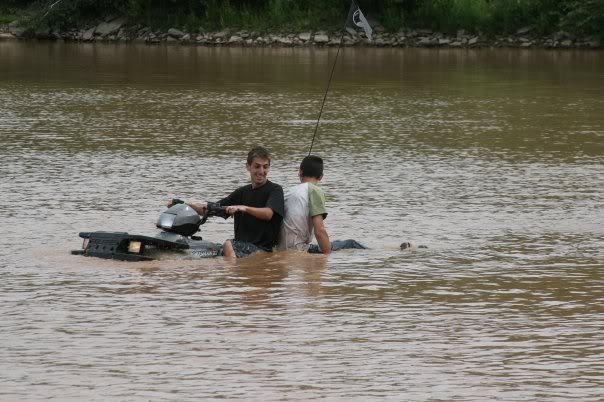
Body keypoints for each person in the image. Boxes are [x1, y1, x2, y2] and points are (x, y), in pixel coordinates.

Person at [171, 146, 284, 259]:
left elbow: (268, 214)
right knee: (204, 248)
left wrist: (243, 208)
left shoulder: (275, 190)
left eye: (265, 167)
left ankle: (233, 270)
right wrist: (182, 205)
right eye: (257, 166)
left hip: (263, 250)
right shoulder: (241, 192)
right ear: (248, 167)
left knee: (228, 244)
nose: (261, 171)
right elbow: (210, 209)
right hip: (240, 247)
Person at [278, 155, 366, 254]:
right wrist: (327, 257)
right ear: (321, 176)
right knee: (351, 243)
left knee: (336, 242)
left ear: (300, 172)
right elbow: (319, 231)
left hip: (281, 248)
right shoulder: (314, 191)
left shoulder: (289, 192)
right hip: (299, 249)